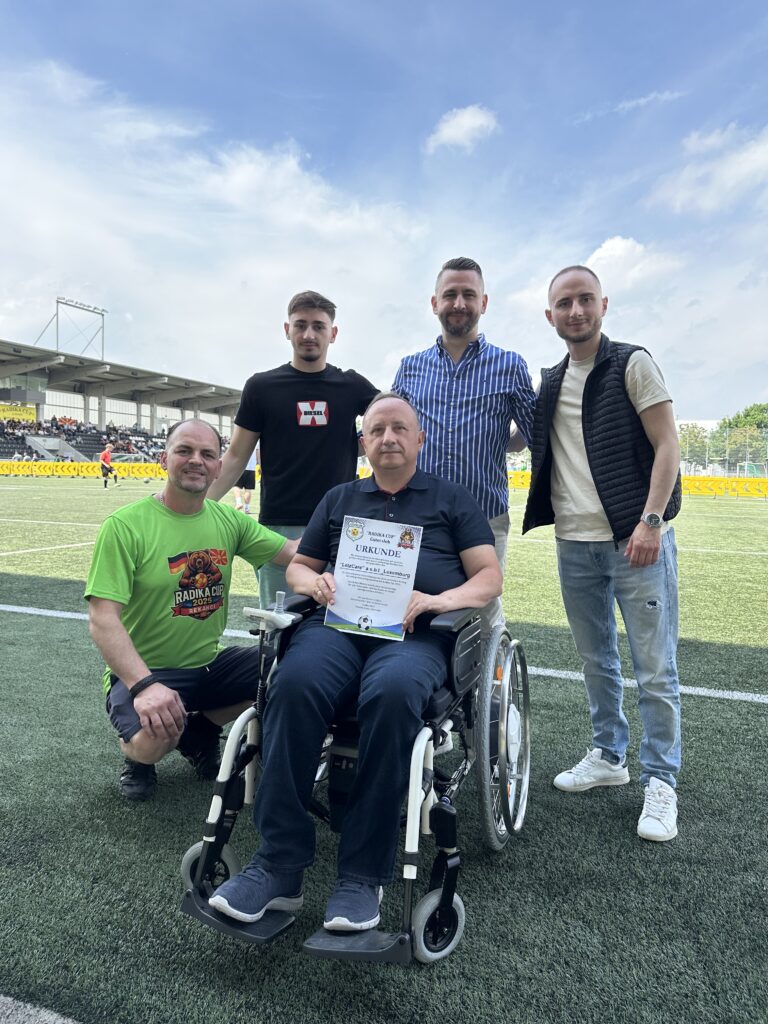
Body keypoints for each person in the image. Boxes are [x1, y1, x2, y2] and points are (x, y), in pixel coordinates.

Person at [208, 393, 501, 931]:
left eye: (400, 428)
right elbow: (299, 567)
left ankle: (362, 876)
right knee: (293, 682)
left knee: (392, 694)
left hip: (415, 635)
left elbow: (488, 577)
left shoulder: (451, 499)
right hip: (338, 629)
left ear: (419, 439)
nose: (388, 438)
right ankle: (277, 865)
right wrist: (313, 581)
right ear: (363, 442)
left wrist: (439, 600)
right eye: (377, 429)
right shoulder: (340, 498)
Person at [522, 265, 682, 842]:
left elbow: (668, 443)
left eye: (584, 299)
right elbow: (524, 437)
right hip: (574, 545)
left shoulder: (632, 363)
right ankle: (610, 756)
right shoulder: (549, 382)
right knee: (597, 661)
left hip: (634, 540)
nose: (576, 311)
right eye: (564, 303)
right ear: (550, 316)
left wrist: (650, 522)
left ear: (603, 305)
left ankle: (661, 779)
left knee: (655, 668)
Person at [85, 419, 299, 801]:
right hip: (147, 669)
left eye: (207, 454)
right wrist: (144, 686)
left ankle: (200, 731)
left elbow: (294, 554)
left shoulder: (228, 520)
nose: (196, 460)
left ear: (218, 467)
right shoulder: (125, 526)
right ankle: (138, 758)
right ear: (164, 459)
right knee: (152, 741)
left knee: (289, 671)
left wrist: (352, 533)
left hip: (208, 664)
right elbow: (102, 619)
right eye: (184, 451)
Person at [208, 291, 378, 608]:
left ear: (333, 333)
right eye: (300, 325)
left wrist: (361, 444)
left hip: (342, 525)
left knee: (342, 618)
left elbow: (392, 420)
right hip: (279, 528)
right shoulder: (261, 387)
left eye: (318, 326)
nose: (309, 334)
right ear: (287, 330)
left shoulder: (352, 386)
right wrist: (195, 505)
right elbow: (236, 457)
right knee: (279, 623)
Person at [393, 257, 535, 635]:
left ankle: (488, 673)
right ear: (434, 303)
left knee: (482, 615)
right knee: (414, 611)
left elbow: (536, 435)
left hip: (484, 515)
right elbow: (393, 435)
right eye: (450, 294)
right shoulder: (410, 367)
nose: (459, 303)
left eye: (468, 295)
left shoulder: (510, 365)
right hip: (417, 516)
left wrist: (506, 442)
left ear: (483, 303)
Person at [232, 448, 257, 514]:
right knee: (248, 489)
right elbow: (258, 454)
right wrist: (259, 465)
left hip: (240, 467)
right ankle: (247, 508)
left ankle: (238, 503)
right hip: (251, 468)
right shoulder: (257, 442)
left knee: (236, 486)